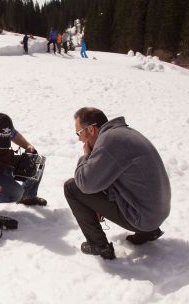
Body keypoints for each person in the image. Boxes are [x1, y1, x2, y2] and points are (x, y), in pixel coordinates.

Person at [64, 107, 171, 260]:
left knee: (71, 188)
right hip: (157, 212)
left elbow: (85, 183)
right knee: (103, 177)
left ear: (92, 130)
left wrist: (86, 156)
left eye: (79, 133)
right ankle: (149, 231)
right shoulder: (123, 133)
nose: (80, 139)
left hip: (144, 218)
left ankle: (99, 246)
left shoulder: (109, 142)